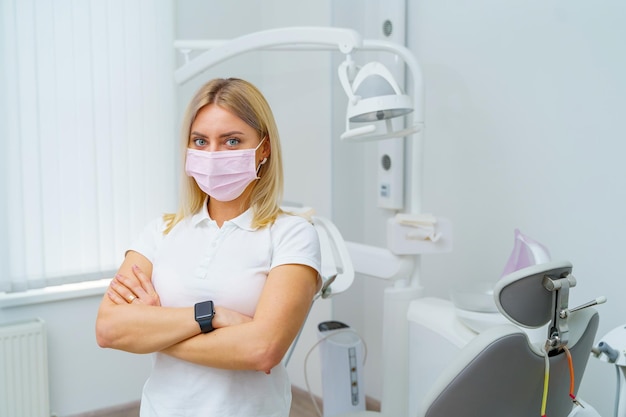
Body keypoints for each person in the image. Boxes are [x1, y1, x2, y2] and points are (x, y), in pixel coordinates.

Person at [96, 78, 322, 417]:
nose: (213, 155)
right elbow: (109, 329)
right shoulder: (160, 231)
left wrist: (155, 328)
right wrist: (212, 316)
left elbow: (263, 349)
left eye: (232, 141)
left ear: (264, 148)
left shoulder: (292, 234)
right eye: (200, 141)